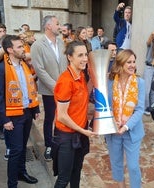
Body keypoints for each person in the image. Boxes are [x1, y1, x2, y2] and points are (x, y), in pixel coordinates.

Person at [0, 34, 40, 187]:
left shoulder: (24, 65)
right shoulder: (1, 69)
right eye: (19, 47)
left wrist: (36, 108)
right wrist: (4, 120)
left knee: (23, 146)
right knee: (15, 150)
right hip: (12, 115)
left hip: (27, 111)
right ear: (10, 50)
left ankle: (22, 172)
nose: (23, 49)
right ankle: (12, 183)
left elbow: (31, 88)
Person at [52, 40, 96, 188]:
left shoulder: (81, 75)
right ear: (70, 57)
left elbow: (84, 98)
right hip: (67, 136)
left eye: (86, 55)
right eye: (80, 55)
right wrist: (82, 130)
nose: (85, 58)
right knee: (64, 178)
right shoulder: (65, 81)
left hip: (79, 132)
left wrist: (96, 78)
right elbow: (62, 116)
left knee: (76, 171)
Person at [105, 49, 145, 188]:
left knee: (133, 166)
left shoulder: (140, 82)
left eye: (134, 62)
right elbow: (105, 105)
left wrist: (126, 126)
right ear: (120, 63)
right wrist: (111, 122)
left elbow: (140, 109)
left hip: (131, 131)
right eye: (129, 62)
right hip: (113, 131)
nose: (132, 65)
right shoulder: (109, 81)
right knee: (116, 163)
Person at [31, 15, 68, 161]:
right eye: (57, 23)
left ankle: (59, 142)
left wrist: (65, 85)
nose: (59, 26)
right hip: (49, 90)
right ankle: (49, 145)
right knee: (50, 117)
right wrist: (56, 87)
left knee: (62, 116)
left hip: (64, 88)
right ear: (48, 26)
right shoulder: (38, 45)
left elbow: (66, 64)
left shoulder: (61, 43)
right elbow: (39, 70)